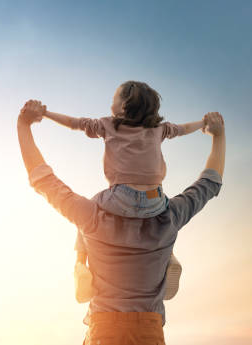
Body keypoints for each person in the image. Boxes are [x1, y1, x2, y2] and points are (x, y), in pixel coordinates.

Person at [17, 99, 225, 345]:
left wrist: (24, 125)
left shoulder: (91, 215)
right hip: (149, 330)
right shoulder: (170, 215)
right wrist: (218, 136)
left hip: (103, 329)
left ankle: (80, 262)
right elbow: (209, 184)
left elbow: (43, 179)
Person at [42, 81, 205, 303]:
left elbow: (74, 123)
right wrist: (203, 123)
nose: (111, 100)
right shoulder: (159, 129)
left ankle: (81, 264)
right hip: (155, 200)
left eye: (115, 97)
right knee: (168, 221)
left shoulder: (108, 125)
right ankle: (169, 258)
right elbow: (184, 129)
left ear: (125, 104)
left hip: (120, 196)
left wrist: (46, 113)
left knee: (85, 214)